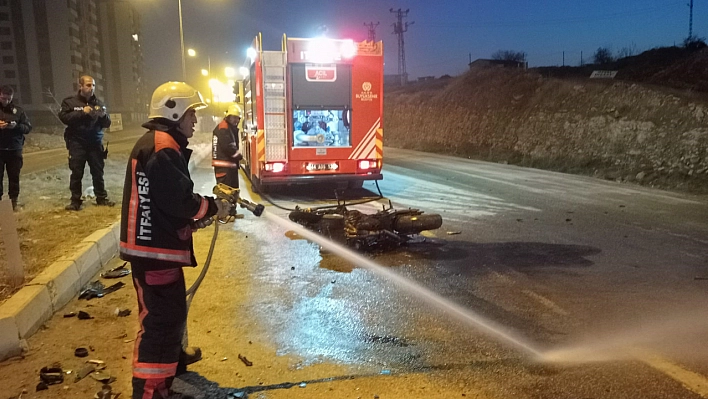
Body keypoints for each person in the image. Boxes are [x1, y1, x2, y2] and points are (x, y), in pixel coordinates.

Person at [119, 81, 232, 399]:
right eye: (191, 113)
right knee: (161, 322)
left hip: (153, 247)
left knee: (167, 316)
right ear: (174, 111)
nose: (195, 120)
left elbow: (161, 201)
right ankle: (151, 391)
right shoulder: (164, 147)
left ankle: (168, 375)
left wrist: (192, 220)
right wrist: (211, 206)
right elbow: (179, 200)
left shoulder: (160, 142)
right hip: (154, 251)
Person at [58, 75, 113, 211]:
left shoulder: (98, 103)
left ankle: (101, 198)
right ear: (80, 86)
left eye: (93, 85)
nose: (91, 88)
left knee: (98, 172)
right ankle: (75, 201)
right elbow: (64, 118)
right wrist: (82, 112)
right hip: (77, 143)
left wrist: (104, 115)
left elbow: (107, 123)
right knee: (77, 172)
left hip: (94, 143)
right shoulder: (70, 102)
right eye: (88, 85)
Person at [0, 85, 31, 211]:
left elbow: (28, 128)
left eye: (8, 99)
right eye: (3, 98)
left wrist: (16, 126)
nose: (6, 101)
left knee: (14, 177)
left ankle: (14, 202)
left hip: (14, 149)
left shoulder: (18, 111)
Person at [211, 104, 242, 189]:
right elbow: (228, 146)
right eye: (233, 117)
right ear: (228, 117)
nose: (236, 120)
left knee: (231, 196)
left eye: (237, 118)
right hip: (225, 170)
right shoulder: (223, 128)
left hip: (227, 169)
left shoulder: (228, 127)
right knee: (226, 197)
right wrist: (238, 155)